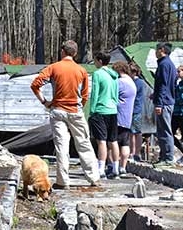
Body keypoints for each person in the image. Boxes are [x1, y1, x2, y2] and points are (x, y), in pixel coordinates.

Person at [30, 41, 101, 188]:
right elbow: (85, 94)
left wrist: (45, 102)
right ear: (75, 53)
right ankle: (94, 178)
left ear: (62, 51)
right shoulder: (81, 70)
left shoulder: (53, 68)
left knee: (62, 146)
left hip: (58, 111)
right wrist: (80, 106)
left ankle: (63, 181)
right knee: (84, 143)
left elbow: (35, 85)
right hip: (75, 110)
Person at [88, 52, 120, 179]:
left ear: (100, 61)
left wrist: (92, 110)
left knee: (101, 141)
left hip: (100, 110)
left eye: (95, 60)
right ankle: (116, 168)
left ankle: (101, 168)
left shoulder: (97, 74)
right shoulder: (114, 75)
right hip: (113, 109)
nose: (94, 63)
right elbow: (116, 93)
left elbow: (95, 93)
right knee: (113, 140)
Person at [152, 42, 177, 165]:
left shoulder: (164, 64)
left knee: (165, 130)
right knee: (162, 130)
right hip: (167, 100)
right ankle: (163, 156)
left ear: (161, 50)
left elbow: (163, 85)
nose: (155, 52)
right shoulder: (168, 64)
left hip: (164, 103)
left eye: (156, 50)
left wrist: (159, 104)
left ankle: (168, 158)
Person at [112, 61, 136, 175]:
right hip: (127, 117)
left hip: (117, 116)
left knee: (114, 143)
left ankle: (114, 166)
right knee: (125, 143)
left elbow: (112, 95)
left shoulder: (119, 82)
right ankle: (123, 167)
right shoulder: (131, 82)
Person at [129, 62, 147, 161]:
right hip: (133, 109)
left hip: (135, 109)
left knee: (135, 132)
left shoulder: (138, 82)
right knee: (132, 132)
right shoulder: (134, 82)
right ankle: (133, 151)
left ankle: (135, 152)